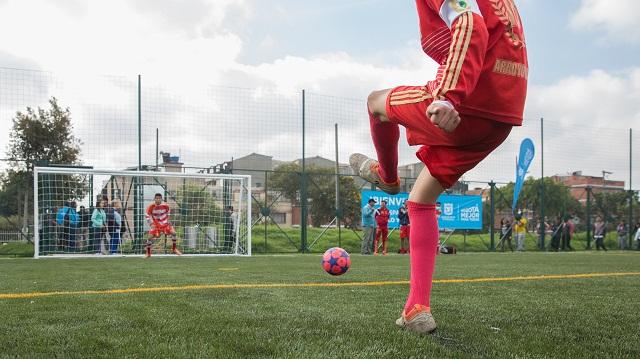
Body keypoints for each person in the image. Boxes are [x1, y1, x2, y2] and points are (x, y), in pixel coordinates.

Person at [349, 0, 527, 333]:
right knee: (420, 200)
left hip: (466, 104)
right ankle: (417, 308)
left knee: (376, 102)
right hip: (501, 118)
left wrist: (448, 95)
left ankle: (386, 177)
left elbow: (469, 23)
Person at [145, 193, 182, 258]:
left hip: (165, 223)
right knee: (149, 238)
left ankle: (174, 249)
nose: (158, 200)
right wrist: (151, 224)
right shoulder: (151, 206)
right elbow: (147, 215)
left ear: (161, 199)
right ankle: (148, 253)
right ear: (154, 199)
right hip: (156, 225)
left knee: (174, 233)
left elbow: (168, 213)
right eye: (156, 198)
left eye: (159, 198)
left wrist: (168, 221)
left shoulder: (166, 206)